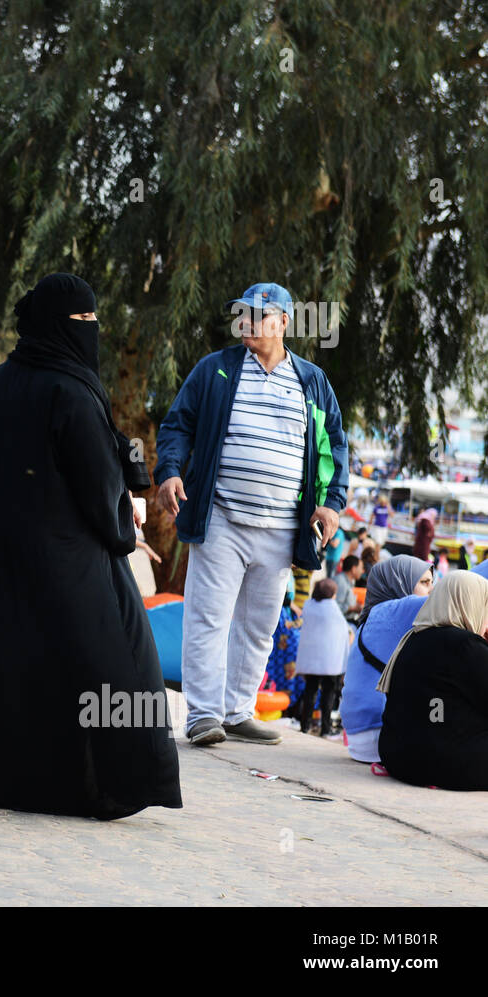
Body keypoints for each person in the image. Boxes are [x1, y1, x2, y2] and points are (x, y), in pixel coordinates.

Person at [0, 273, 181, 820]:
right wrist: (123, 534)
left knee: (0, 660)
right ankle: (87, 786)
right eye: (83, 321)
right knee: (97, 660)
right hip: (64, 557)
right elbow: (100, 486)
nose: (92, 332)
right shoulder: (73, 392)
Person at [154, 281, 349, 746]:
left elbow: (334, 446)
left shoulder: (311, 381)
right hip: (220, 518)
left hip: (283, 527)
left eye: (258, 316)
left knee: (259, 626)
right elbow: (177, 424)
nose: (248, 323)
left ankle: (238, 710)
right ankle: (202, 715)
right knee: (207, 618)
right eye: (242, 315)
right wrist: (170, 472)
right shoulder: (216, 370)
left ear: (283, 322)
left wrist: (332, 503)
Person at [377, 572, 488, 791]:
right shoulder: (467, 646)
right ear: (469, 603)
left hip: (399, 758)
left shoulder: (411, 639)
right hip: (445, 764)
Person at [339, 555, 432, 763]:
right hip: (377, 733)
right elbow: (459, 592)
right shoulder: (396, 610)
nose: (431, 590)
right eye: (425, 582)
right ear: (400, 582)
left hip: (361, 736)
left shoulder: (375, 617)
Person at [294, 579, 352, 735]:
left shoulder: (308, 605)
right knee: (328, 694)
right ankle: (325, 729)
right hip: (330, 661)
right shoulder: (333, 608)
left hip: (312, 658)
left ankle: (304, 726)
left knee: (310, 692)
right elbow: (343, 634)